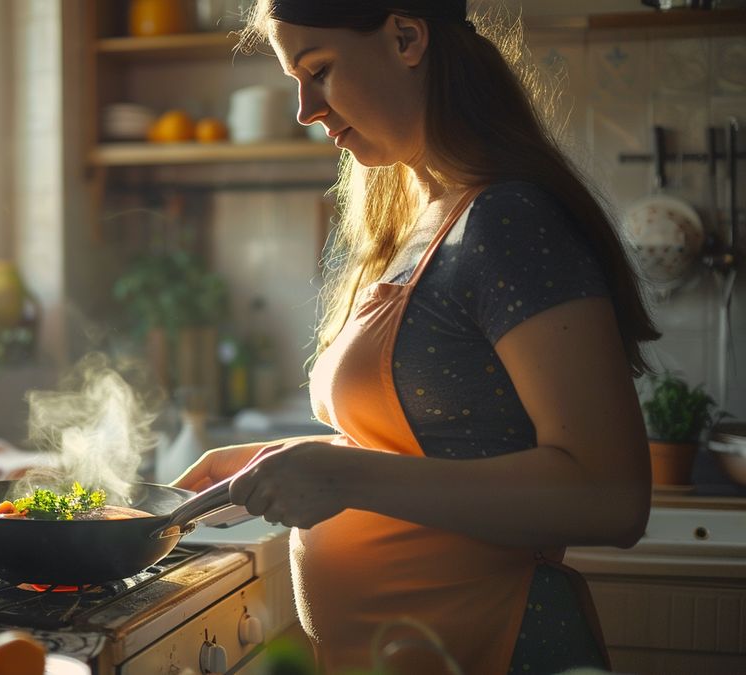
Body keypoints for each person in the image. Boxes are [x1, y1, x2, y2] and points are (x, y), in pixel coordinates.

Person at [171, 1, 659, 673]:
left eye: (319, 70)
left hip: (500, 649)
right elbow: (431, 445)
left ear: (405, 37)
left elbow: (612, 496)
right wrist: (292, 456)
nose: (305, 109)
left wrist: (343, 474)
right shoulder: (423, 220)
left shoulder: (508, 220)